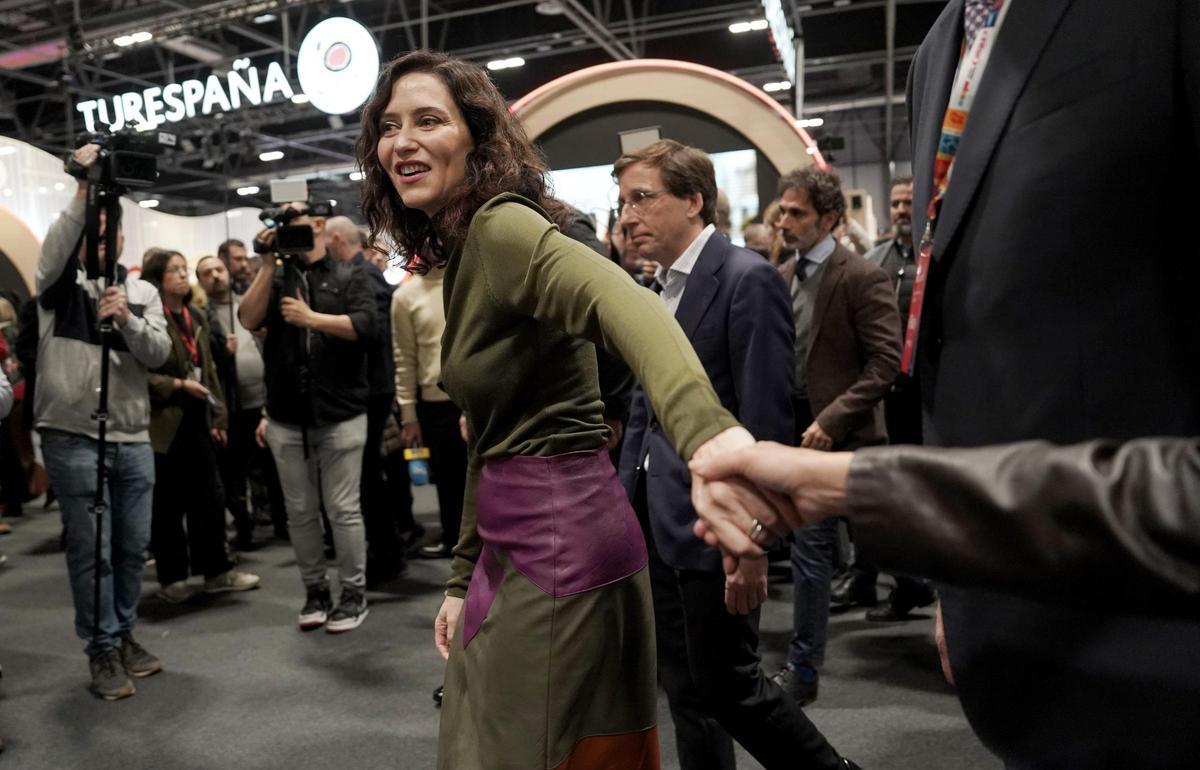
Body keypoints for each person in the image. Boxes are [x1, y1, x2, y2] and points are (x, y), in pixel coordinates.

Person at [692, 1, 1200, 766]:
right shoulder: (939, 49)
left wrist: (863, 488)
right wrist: (964, 580)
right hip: (1021, 607)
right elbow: (957, 344)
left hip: (1158, 624)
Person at [355, 50, 859, 770]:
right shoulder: (467, 249)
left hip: (559, 549)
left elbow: (622, 303)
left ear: (477, 138)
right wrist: (461, 577)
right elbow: (491, 441)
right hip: (519, 543)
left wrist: (709, 435)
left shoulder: (502, 226)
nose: (402, 140)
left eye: (428, 120)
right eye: (388, 125)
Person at [615, 139, 841, 769]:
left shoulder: (747, 278)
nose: (628, 216)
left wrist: (753, 540)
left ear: (693, 200)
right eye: (623, 202)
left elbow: (765, 423)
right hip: (658, 521)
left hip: (718, 523)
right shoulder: (656, 287)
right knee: (687, 692)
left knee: (733, 688)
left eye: (642, 198)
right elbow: (645, 411)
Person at [35, 143, 171, 700]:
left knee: (132, 548)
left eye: (106, 235)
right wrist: (83, 190)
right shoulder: (57, 288)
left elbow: (160, 354)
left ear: (119, 241)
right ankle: (102, 648)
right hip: (72, 436)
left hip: (132, 436)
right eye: (90, 235)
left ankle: (124, 633)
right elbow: (58, 245)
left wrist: (129, 322)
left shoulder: (140, 291)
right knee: (92, 551)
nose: (97, 243)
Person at [771, 167, 900, 705]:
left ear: (828, 219)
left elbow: (885, 362)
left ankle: (918, 589)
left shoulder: (861, 276)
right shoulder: (780, 275)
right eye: (782, 210)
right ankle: (803, 667)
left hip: (846, 434)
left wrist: (832, 419)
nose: (783, 221)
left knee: (880, 539)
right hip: (799, 433)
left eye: (796, 213)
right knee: (812, 548)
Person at [238, 203, 377, 634]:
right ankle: (315, 591)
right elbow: (248, 318)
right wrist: (267, 265)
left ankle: (353, 593)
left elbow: (366, 326)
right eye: (283, 226)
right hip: (286, 416)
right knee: (299, 513)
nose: (291, 232)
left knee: (342, 510)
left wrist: (311, 319)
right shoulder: (277, 276)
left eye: (296, 223)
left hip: (340, 412)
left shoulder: (349, 273)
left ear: (319, 225)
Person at [142, 251, 260, 603]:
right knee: (167, 505)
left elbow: (209, 371)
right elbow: (139, 376)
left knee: (209, 498)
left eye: (184, 269)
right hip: (163, 423)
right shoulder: (148, 320)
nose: (182, 275)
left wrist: (218, 416)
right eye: (173, 270)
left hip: (198, 418)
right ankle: (172, 578)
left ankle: (216, 572)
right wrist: (177, 385)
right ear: (157, 279)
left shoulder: (194, 314)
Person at [325, 215, 407, 583]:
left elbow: (369, 333)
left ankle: (386, 554)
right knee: (369, 474)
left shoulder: (364, 276)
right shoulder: (365, 273)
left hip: (371, 388)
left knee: (368, 476)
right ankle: (386, 550)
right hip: (372, 386)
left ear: (337, 239)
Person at [197, 255, 288, 546]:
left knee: (273, 467)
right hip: (231, 405)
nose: (215, 275)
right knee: (234, 472)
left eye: (219, 269)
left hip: (264, 399)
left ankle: (282, 523)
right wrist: (222, 351)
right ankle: (244, 529)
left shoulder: (248, 302)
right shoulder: (202, 314)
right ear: (200, 282)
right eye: (207, 273)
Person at [391, 260, 467, 560]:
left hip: (475, 398)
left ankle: (488, 544)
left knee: (485, 477)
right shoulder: (405, 297)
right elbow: (404, 359)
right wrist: (408, 414)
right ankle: (454, 541)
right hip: (435, 404)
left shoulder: (466, 280)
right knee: (447, 481)